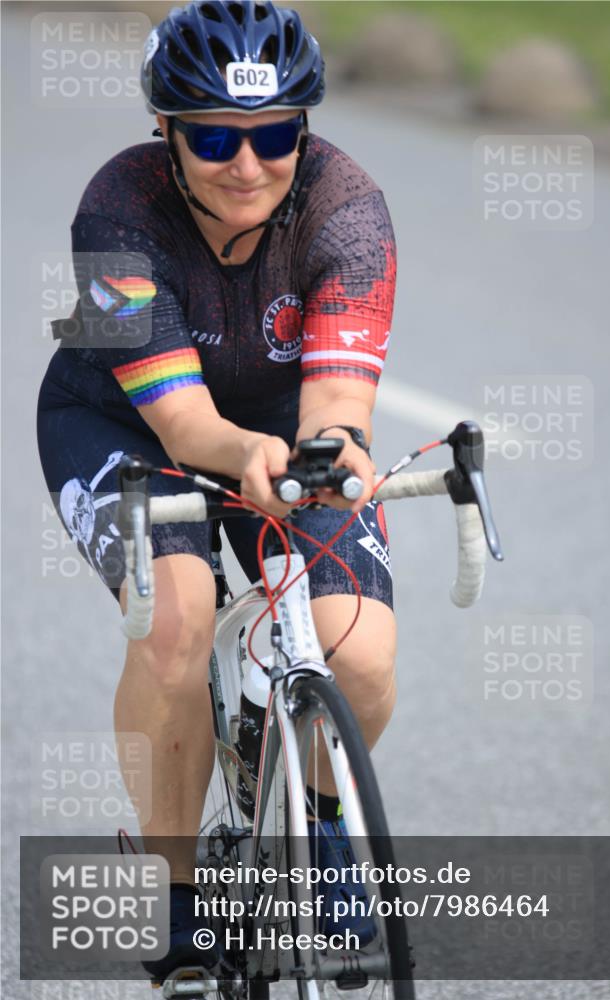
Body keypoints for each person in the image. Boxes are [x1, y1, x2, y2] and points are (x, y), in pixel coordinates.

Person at [36, 0, 397, 981]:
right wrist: (242, 460)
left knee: (357, 647)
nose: (247, 162)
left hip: (279, 423)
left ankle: (317, 823)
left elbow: (334, 398)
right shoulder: (114, 215)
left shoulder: (347, 210)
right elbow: (185, 427)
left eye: (274, 131)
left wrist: (326, 449)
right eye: (214, 136)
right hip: (125, 422)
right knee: (176, 621)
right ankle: (176, 890)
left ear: (303, 128)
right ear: (166, 129)